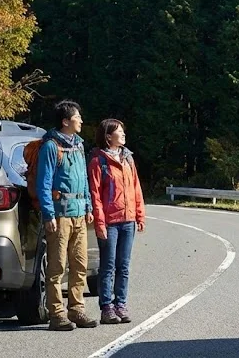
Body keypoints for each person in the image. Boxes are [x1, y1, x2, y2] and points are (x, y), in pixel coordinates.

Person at [37, 100, 98, 331]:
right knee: (57, 267)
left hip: (80, 214)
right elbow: (43, 184)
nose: (81, 120)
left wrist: (89, 207)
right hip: (60, 215)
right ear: (65, 121)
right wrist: (49, 214)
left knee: (80, 264)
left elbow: (84, 179)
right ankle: (57, 314)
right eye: (77, 117)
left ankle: (77, 309)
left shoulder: (79, 145)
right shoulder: (51, 147)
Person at [87, 118, 146, 325]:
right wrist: (100, 223)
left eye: (123, 131)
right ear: (108, 136)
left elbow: (136, 188)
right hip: (110, 221)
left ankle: (121, 304)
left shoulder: (128, 159)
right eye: (119, 131)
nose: (123, 134)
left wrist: (139, 214)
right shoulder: (98, 161)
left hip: (128, 220)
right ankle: (106, 307)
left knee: (124, 266)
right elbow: (95, 195)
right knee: (108, 266)